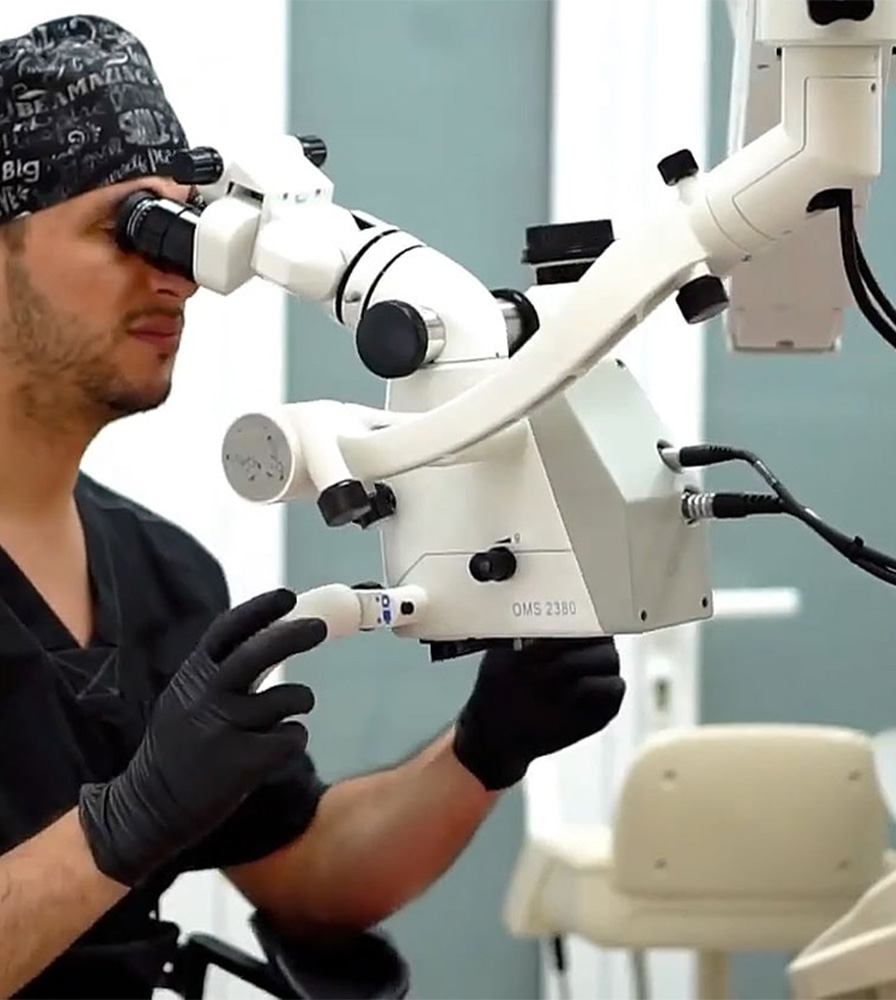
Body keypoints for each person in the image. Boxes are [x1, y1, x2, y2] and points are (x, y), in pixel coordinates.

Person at [0, 14, 627, 1000]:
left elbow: (305, 874)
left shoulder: (162, 572)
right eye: (129, 226)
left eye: (188, 229)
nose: (180, 275)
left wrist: (488, 740)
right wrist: (119, 828)